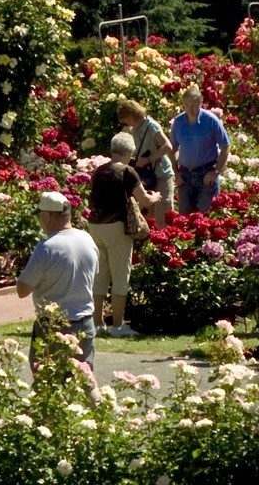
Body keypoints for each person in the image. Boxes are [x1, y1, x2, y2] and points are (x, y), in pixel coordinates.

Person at [87, 132, 162, 337]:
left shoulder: (99, 171)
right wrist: (156, 197)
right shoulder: (128, 172)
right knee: (120, 275)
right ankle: (118, 325)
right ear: (129, 152)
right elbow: (144, 199)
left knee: (100, 275)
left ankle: (97, 323)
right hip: (116, 226)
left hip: (95, 226)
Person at [16, 191, 99, 370]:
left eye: (40, 215)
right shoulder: (87, 239)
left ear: (47, 216)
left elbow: (22, 290)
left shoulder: (46, 248)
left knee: (47, 378)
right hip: (85, 323)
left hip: (54, 326)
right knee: (83, 378)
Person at [169, 85, 230, 214]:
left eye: (194, 105)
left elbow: (225, 145)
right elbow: (172, 149)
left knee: (205, 216)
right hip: (185, 175)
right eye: (187, 105)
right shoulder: (179, 122)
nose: (190, 109)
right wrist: (176, 173)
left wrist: (216, 171)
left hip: (206, 174)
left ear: (200, 104)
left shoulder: (210, 120)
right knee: (184, 217)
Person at [119, 99, 175, 228]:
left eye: (127, 120)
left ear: (133, 115)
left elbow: (168, 147)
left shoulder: (152, 126)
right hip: (146, 175)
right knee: (146, 214)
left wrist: (148, 159)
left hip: (162, 173)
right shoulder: (133, 130)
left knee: (163, 214)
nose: (127, 123)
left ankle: (166, 238)